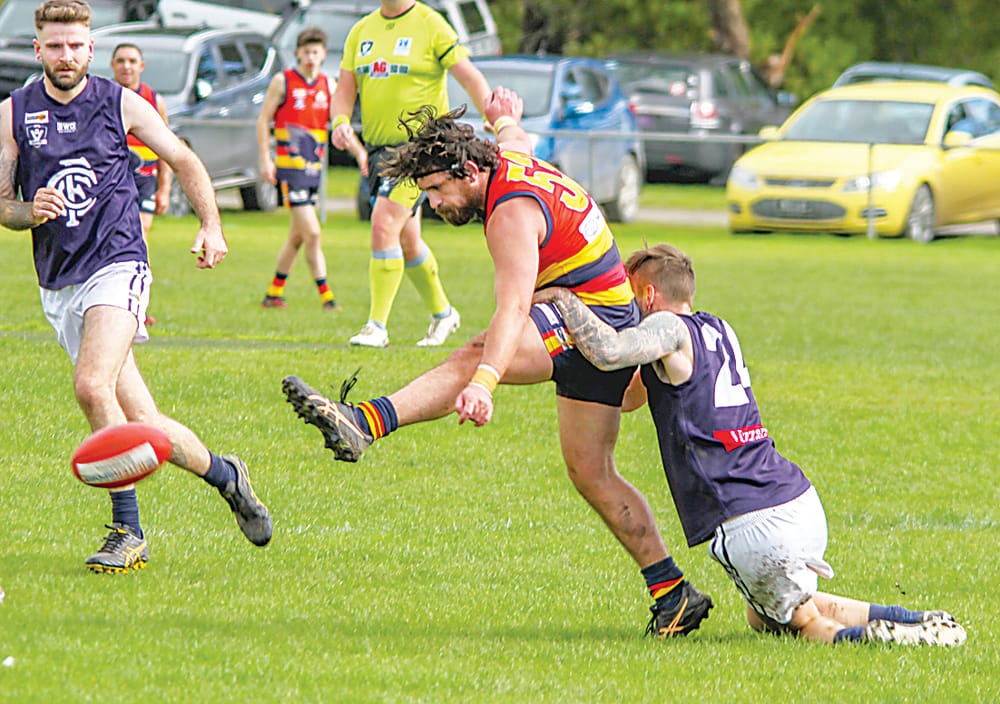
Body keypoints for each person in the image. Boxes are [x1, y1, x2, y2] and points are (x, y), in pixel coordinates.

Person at [281, 92, 713, 638]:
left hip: (594, 326)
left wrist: (485, 382)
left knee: (475, 353)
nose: (433, 206)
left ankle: (364, 422)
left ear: (467, 171)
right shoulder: (504, 158)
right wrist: (506, 113)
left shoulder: (511, 213)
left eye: (436, 190)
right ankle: (673, 592)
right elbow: (516, 136)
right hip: (603, 322)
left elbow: (513, 307)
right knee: (592, 473)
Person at [531, 243, 967, 647]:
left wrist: (563, 300)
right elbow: (629, 399)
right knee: (766, 617)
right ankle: (915, 617)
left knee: (806, 625)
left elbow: (609, 351)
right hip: (795, 500)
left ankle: (890, 640)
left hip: (752, 522)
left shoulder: (667, 327)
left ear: (647, 296)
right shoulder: (718, 329)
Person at [0, 0, 272, 573]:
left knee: (91, 385)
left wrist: (211, 224)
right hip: (59, 281)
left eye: (76, 45)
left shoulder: (118, 103)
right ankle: (227, 475)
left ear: (91, 48)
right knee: (144, 423)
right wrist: (29, 209)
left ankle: (128, 532)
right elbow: (4, 206)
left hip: (118, 263)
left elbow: (182, 155)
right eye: (55, 46)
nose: (66, 55)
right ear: (38, 50)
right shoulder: (13, 114)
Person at [330, 0, 491, 347]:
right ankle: (443, 313)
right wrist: (340, 122)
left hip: (420, 150)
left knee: (383, 223)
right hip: (380, 152)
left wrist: (494, 116)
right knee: (407, 240)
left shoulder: (432, 25)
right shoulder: (361, 31)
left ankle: (376, 327)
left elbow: (469, 76)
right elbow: (345, 91)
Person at [258, 27, 367, 312]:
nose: (310, 57)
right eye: (305, 52)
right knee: (314, 233)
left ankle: (273, 293)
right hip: (290, 171)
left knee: (297, 237)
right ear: (297, 53)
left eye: (315, 52)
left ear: (322, 55)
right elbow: (263, 121)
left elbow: (341, 124)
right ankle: (327, 297)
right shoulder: (283, 82)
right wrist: (265, 159)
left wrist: (359, 153)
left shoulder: (328, 86)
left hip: (313, 171)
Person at [110, 41, 169, 326]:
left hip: (146, 179)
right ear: (112, 66)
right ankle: (127, 303)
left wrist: (165, 188)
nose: (126, 66)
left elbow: (169, 148)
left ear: (141, 66)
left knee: (140, 232)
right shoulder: (104, 98)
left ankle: (137, 304)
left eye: (132, 61)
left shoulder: (154, 100)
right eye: (121, 61)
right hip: (114, 180)